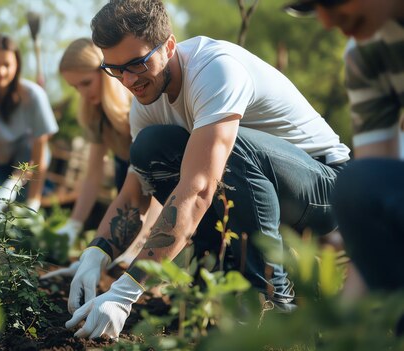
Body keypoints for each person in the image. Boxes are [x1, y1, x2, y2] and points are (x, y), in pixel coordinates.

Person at [64, 0, 351, 340]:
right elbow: (135, 195)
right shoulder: (145, 103)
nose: (128, 80)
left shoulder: (214, 70)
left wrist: (129, 288)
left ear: (169, 45)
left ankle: (273, 305)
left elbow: (199, 188)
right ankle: (210, 286)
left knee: (228, 148)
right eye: (115, 69)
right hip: (261, 194)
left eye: (137, 64)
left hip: (327, 188)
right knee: (150, 148)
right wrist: (97, 252)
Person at [285, 0, 404, 291]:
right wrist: (347, 324)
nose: (326, 22)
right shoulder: (365, 53)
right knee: (357, 185)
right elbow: (371, 190)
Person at [56, 38, 162, 248]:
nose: (83, 94)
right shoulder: (96, 115)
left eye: (86, 83)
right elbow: (93, 175)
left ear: (106, 72)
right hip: (126, 179)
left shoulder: (140, 104)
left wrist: (143, 243)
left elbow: (160, 186)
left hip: (159, 184)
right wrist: (74, 225)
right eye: (76, 88)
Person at [0, 34, 58, 213]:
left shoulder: (34, 95)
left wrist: (32, 200)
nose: (0, 72)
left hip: (27, 163)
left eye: (6, 65)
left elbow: (39, 154)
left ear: (17, 65)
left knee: (23, 209)